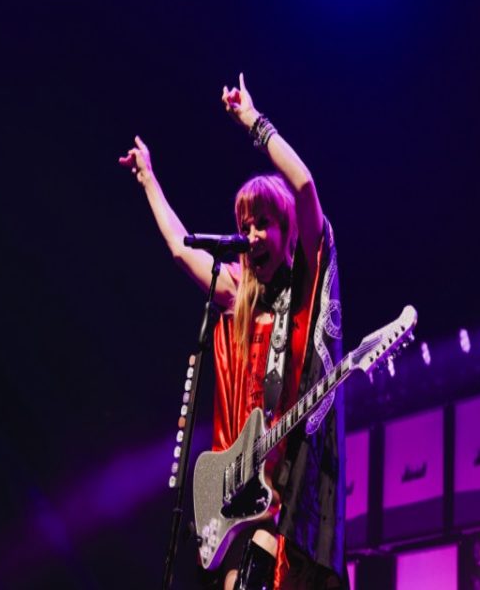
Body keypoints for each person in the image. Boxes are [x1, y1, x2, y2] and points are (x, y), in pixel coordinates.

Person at [120, 74, 347, 590]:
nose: (252, 235)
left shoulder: (306, 287)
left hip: (293, 500)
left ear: (287, 230)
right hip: (245, 496)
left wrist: (253, 122)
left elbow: (305, 186)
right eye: (245, 226)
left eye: (263, 223)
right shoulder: (238, 294)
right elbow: (181, 248)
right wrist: (149, 179)